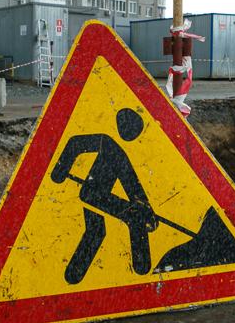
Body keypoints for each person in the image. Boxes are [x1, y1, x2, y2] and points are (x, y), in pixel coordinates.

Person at [51, 108, 158, 284]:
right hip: (93, 194)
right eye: (132, 130)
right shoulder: (107, 142)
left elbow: (131, 184)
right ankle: (141, 265)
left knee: (96, 231)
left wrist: (147, 209)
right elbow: (75, 143)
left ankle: (72, 276)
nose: (132, 135)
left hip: (96, 195)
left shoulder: (119, 154)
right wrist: (60, 170)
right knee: (133, 217)